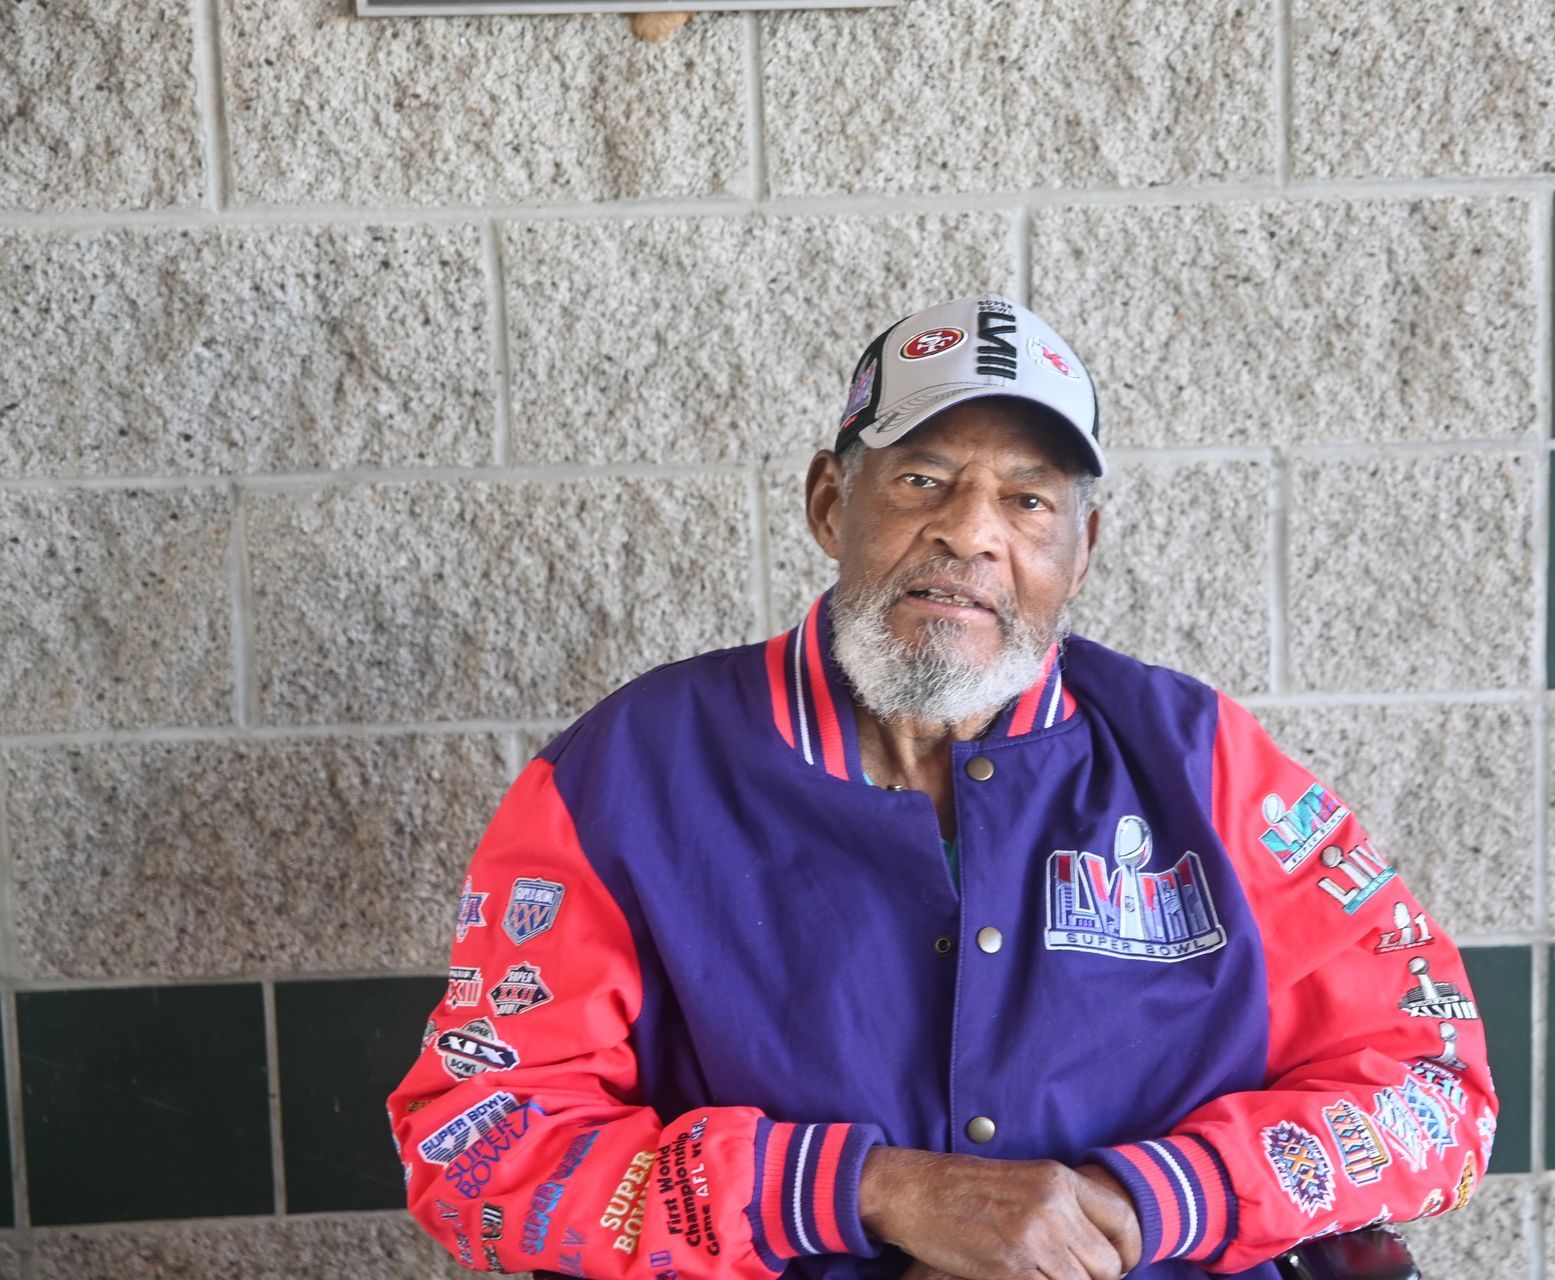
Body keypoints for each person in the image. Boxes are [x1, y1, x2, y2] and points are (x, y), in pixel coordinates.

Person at [387, 294, 1495, 1280]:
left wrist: (1125, 1212)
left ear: (1082, 549)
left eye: (1028, 500)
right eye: (923, 479)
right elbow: (477, 1139)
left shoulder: (1203, 760)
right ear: (831, 503)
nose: (970, 531)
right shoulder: (626, 774)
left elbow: (1432, 1086)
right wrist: (869, 1189)